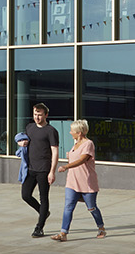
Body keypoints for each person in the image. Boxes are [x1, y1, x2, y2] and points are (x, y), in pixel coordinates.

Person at [51, 119, 105, 241]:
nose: (70, 132)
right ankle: (63, 234)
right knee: (68, 207)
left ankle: (101, 227)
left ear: (79, 132)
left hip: (87, 182)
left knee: (91, 207)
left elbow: (82, 160)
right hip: (72, 181)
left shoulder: (88, 144)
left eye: (72, 131)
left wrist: (66, 166)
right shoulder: (75, 144)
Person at [20, 103, 60, 238]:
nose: (37, 117)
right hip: (30, 169)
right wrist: (20, 142)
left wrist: (52, 171)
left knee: (44, 198)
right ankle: (44, 212)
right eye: (35, 114)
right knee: (25, 195)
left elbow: (55, 152)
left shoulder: (51, 131)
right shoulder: (30, 127)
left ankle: (39, 228)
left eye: (40, 115)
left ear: (46, 115)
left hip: (44, 169)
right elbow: (22, 139)